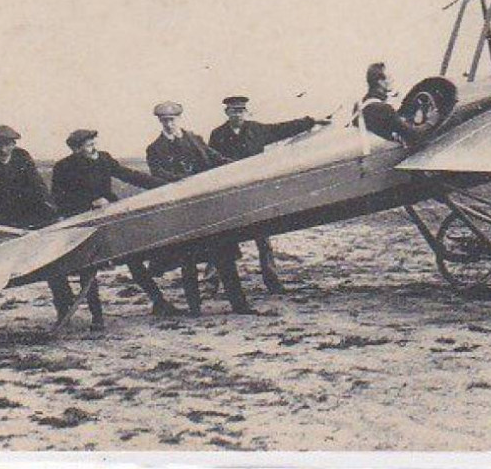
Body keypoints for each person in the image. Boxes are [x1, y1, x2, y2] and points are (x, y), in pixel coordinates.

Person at [51, 129, 182, 325]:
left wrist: (164, 186)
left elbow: (129, 175)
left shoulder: (103, 158)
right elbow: (59, 199)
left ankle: (159, 302)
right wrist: (90, 201)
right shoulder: (63, 167)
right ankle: (97, 317)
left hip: (111, 216)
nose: (93, 148)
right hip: (84, 223)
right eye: (88, 145)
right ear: (76, 149)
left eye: (94, 143)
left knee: (133, 257)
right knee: (89, 268)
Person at [145, 101, 252, 315]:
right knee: (188, 263)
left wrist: (239, 167)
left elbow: (214, 158)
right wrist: (188, 182)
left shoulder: (194, 139)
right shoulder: (155, 149)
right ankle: (195, 309)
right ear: (159, 121)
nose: (169, 124)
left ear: (179, 119)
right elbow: (158, 176)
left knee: (225, 258)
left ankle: (240, 305)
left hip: (208, 210)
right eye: (164, 121)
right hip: (182, 213)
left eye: (172, 120)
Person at [208, 95, 323, 294]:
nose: (238, 114)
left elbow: (282, 129)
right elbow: (210, 163)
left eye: (241, 110)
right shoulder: (217, 135)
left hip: (254, 194)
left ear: (246, 112)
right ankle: (212, 281)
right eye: (234, 111)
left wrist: (310, 121)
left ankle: (272, 280)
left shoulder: (257, 130)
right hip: (229, 195)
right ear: (226, 112)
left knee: (263, 238)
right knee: (222, 239)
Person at [0, 125, 72, 335]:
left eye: (7, 145)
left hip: (28, 216)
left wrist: (52, 213)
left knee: (50, 259)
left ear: (14, 144)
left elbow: (37, 187)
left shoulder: (22, 158)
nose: (3, 149)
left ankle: (64, 306)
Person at [357, 62, 422, 147]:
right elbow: (413, 135)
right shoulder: (384, 109)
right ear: (380, 82)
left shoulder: (360, 105)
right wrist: (431, 121)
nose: (393, 80)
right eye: (390, 78)